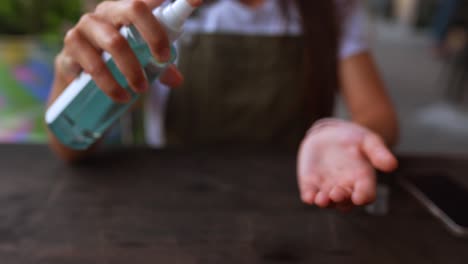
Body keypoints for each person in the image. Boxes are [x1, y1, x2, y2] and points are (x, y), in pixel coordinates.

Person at [47, 0, 399, 211]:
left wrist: (344, 134)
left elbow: (378, 114)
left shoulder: (329, 8)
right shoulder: (147, 9)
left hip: (294, 201)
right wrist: (73, 74)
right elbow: (69, 150)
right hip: (172, 205)